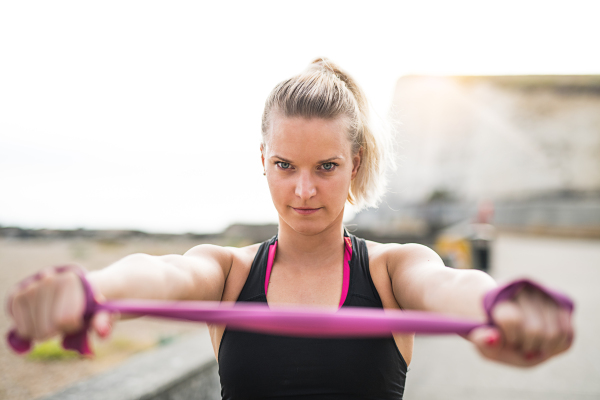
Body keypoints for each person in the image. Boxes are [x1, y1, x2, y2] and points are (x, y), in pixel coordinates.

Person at [7, 58, 573, 399]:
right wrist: (93, 290)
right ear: (262, 160)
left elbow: (450, 286)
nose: (304, 191)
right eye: (285, 166)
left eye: (326, 167)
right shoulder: (228, 271)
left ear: (355, 163)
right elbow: (164, 273)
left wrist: (500, 302)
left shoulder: (393, 269)